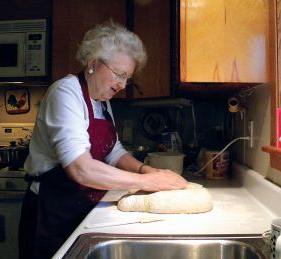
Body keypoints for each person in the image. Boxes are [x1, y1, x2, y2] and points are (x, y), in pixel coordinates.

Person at [18, 20, 188, 259]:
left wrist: (145, 170)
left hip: (82, 207)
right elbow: (81, 169)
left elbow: (113, 151)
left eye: (128, 77)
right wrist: (149, 182)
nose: (122, 85)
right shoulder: (65, 93)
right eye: (119, 74)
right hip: (51, 213)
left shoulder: (101, 100)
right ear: (93, 63)